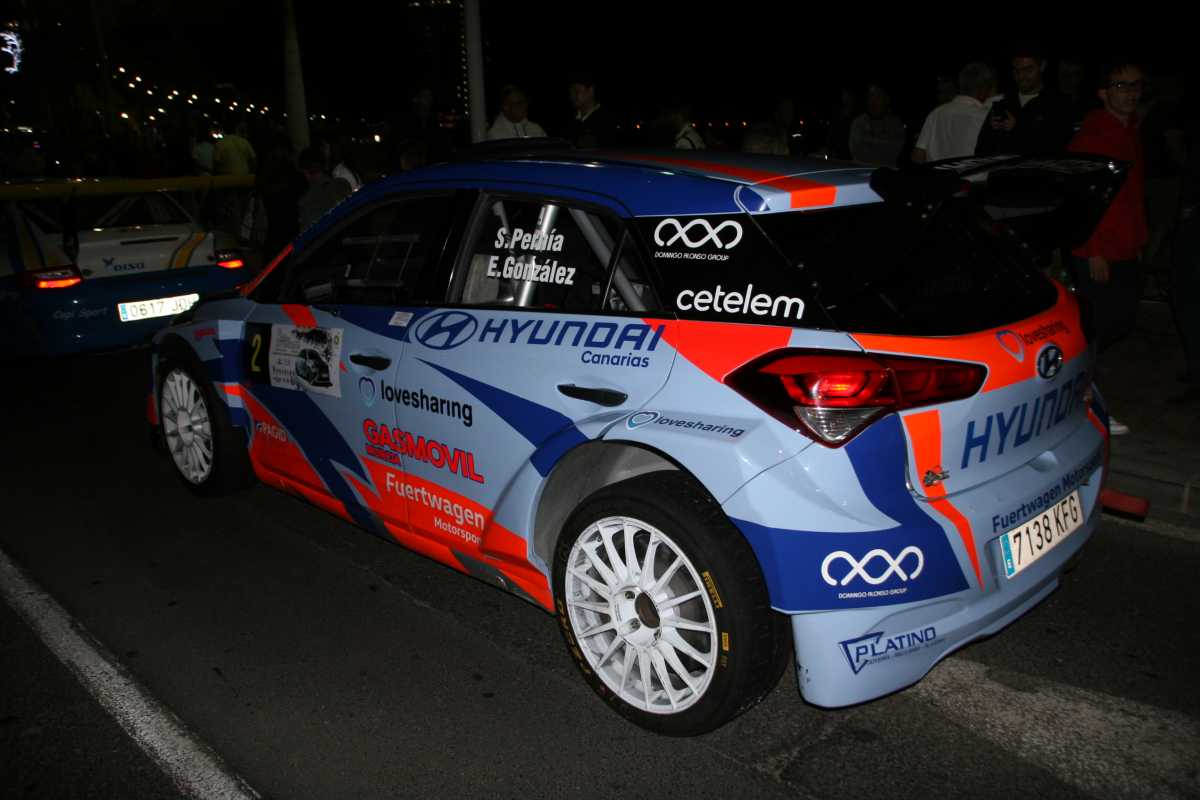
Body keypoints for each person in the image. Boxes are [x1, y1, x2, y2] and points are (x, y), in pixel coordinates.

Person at [1067, 59, 1149, 434]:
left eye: (1136, 85)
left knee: (1121, 321)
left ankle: (1079, 391)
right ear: (1103, 93)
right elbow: (1080, 200)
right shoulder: (1092, 137)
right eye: (1121, 86)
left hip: (1125, 245)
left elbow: (1131, 197)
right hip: (1098, 250)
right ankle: (1086, 403)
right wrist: (1093, 249)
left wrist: (1137, 239)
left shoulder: (1129, 132)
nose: (1130, 92)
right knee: (1098, 328)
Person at [976, 43, 1075, 156]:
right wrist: (991, 129)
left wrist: (1017, 129)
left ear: (1042, 66)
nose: (1021, 76)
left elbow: (1056, 148)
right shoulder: (1005, 102)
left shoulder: (1059, 103)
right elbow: (981, 150)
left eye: (1028, 69)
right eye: (1016, 70)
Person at [912, 62, 997, 163]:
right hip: (973, 173)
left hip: (938, 172)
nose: (944, 96)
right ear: (984, 88)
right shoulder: (985, 116)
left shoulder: (935, 114)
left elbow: (918, 156)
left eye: (947, 92)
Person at [849, 84, 905, 166]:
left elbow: (895, 152)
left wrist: (868, 141)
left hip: (886, 171)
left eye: (878, 97)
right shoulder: (858, 122)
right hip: (860, 170)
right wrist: (882, 143)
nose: (873, 102)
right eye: (870, 97)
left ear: (886, 100)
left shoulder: (896, 124)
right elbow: (857, 151)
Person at [297, 145, 351, 231]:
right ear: (325, 165)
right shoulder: (343, 185)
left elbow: (308, 233)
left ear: (305, 172)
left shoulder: (307, 201)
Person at [566, 72, 617, 148]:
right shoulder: (570, 119)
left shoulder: (606, 119)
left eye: (576, 91)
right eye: (571, 92)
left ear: (591, 91)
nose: (572, 96)